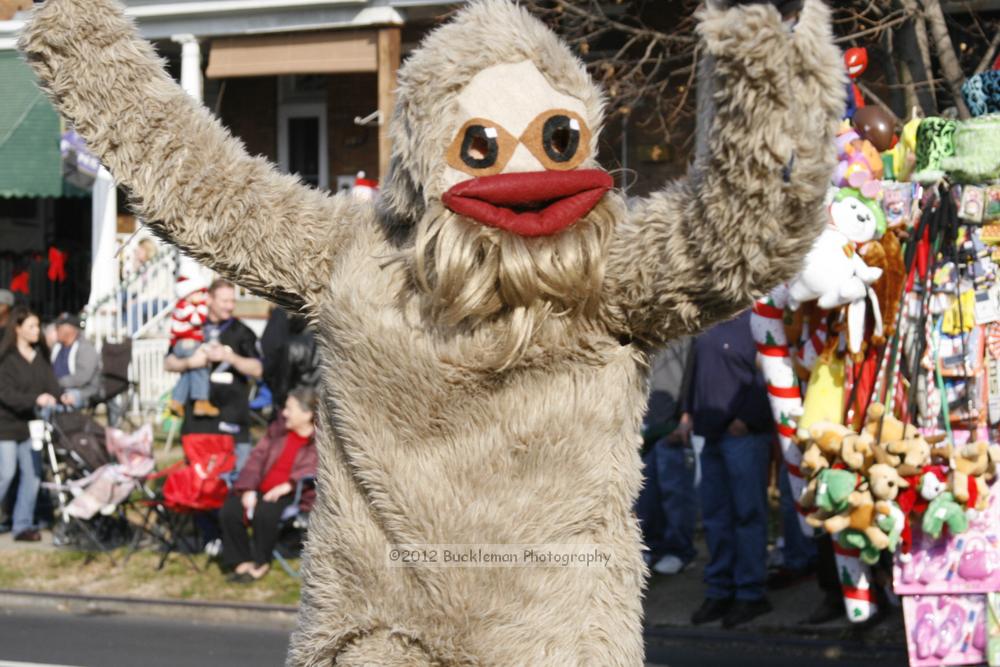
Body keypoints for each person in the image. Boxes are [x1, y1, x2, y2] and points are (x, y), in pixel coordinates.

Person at [686, 310, 776, 628]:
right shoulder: (707, 321)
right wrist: (687, 412)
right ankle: (720, 590)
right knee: (715, 518)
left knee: (747, 515)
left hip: (744, 435)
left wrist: (748, 417)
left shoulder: (758, 320)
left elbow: (770, 372)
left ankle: (750, 594)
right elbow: (693, 371)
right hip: (710, 432)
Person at [220, 387, 318, 583]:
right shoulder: (278, 431)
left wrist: (289, 485)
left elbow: (315, 467)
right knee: (230, 510)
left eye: (290, 409)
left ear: (307, 414)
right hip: (260, 487)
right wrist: (248, 488)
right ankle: (241, 562)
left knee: (265, 513)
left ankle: (260, 562)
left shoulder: (318, 440)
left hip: (295, 493)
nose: (284, 413)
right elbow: (256, 458)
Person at [164, 278, 262, 470]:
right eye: (224, 301)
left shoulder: (242, 332)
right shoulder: (191, 326)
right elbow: (168, 362)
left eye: (232, 301)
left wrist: (231, 357)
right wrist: (189, 363)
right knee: (199, 483)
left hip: (233, 420)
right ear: (209, 299)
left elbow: (258, 369)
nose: (230, 306)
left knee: (234, 483)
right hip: (197, 423)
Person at [0, 306, 62, 541]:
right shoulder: (7, 359)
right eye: (32, 327)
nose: (37, 331)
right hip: (6, 425)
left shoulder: (39, 357)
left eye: (38, 326)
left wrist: (61, 395)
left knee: (33, 475)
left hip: (31, 426)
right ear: (18, 329)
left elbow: (51, 385)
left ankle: (22, 524)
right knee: (6, 473)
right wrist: (34, 399)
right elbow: (6, 394)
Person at [636, 338, 697, 575]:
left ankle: (680, 550)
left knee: (675, 492)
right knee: (646, 494)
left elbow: (692, 374)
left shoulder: (686, 335)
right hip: (645, 423)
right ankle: (653, 547)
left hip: (672, 425)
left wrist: (685, 415)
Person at [167, 271, 217, 418]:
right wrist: (203, 307)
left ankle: (177, 401)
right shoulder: (185, 306)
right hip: (186, 342)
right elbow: (197, 320)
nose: (202, 297)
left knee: (188, 373)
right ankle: (201, 400)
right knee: (200, 368)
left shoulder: (184, 305)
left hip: (184, 343)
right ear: (189, 293)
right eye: (199, 293)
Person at [50, 313, 101, 409]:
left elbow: (81, 378)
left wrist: (56, 383)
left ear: (70, 329)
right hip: (57, 388)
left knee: (61, 404)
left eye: (59, 327)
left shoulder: (85, 348)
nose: (56, 330)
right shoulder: (56, 347)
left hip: (83, 391)